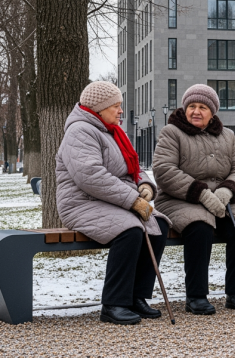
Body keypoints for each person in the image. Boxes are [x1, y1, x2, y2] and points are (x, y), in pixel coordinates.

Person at [55, 81, 170, 325]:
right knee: (129, 229)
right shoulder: (80, 131)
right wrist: (132, 201)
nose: (120, 111)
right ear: (99, 108)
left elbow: (134, 169)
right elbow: (91, 176)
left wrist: (145, 187)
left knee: (159, 225)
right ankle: (114, 303)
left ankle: (136, 297)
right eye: (116, 106)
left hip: (112, 201)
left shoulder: (113, 131)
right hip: (82, 203)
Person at [153, 84, 235, 315]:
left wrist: (228, 190)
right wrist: (201, 193)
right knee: (200, 226)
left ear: (212, 112)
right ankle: (196, 296)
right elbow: (163, 170)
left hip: (220, 199)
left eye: (202, 107)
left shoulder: (227, 136)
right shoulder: (172, 132)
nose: (195, 111)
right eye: (191, 106)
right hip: (179, 198)